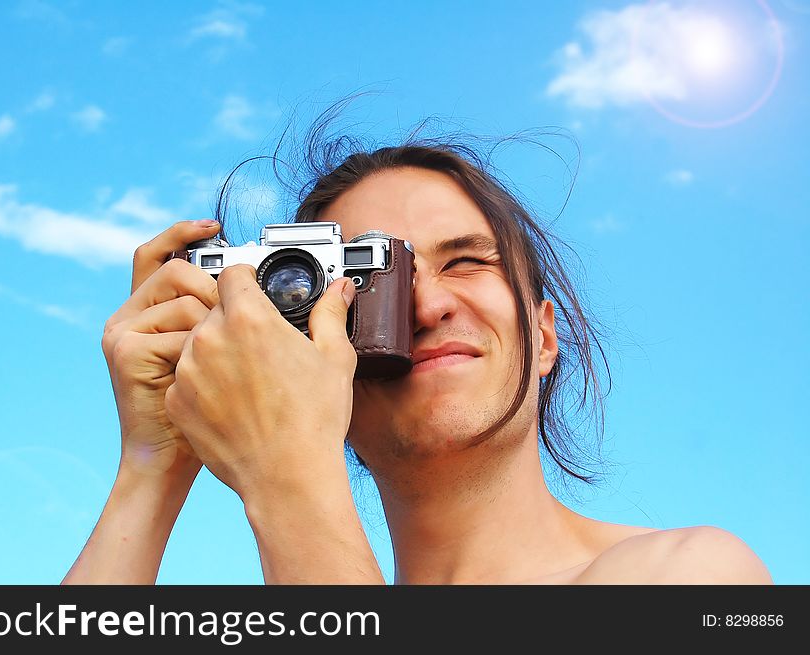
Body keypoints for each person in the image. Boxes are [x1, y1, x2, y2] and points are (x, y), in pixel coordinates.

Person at [63, 138, 772, 585]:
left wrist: (285, 478)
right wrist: (154, 460)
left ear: (546, 335)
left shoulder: (691, 577)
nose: (428, 305)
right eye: (372, 283)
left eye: (465, 261)